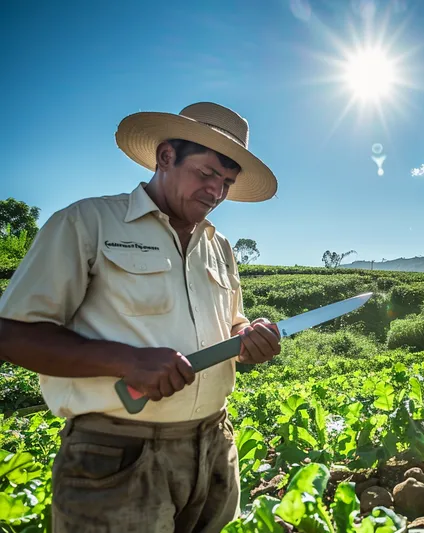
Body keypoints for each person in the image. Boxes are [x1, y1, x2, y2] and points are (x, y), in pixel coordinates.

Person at [0, 102, 282, 532]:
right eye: (206, 173)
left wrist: (249, 336)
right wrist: (127, 361)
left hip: (214, 447)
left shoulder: (219, 246)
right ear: (165, 156)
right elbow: (13, 334)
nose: (216, 192)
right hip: (118, 454)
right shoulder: (87, 222)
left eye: (226, 182)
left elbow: (231, 325)